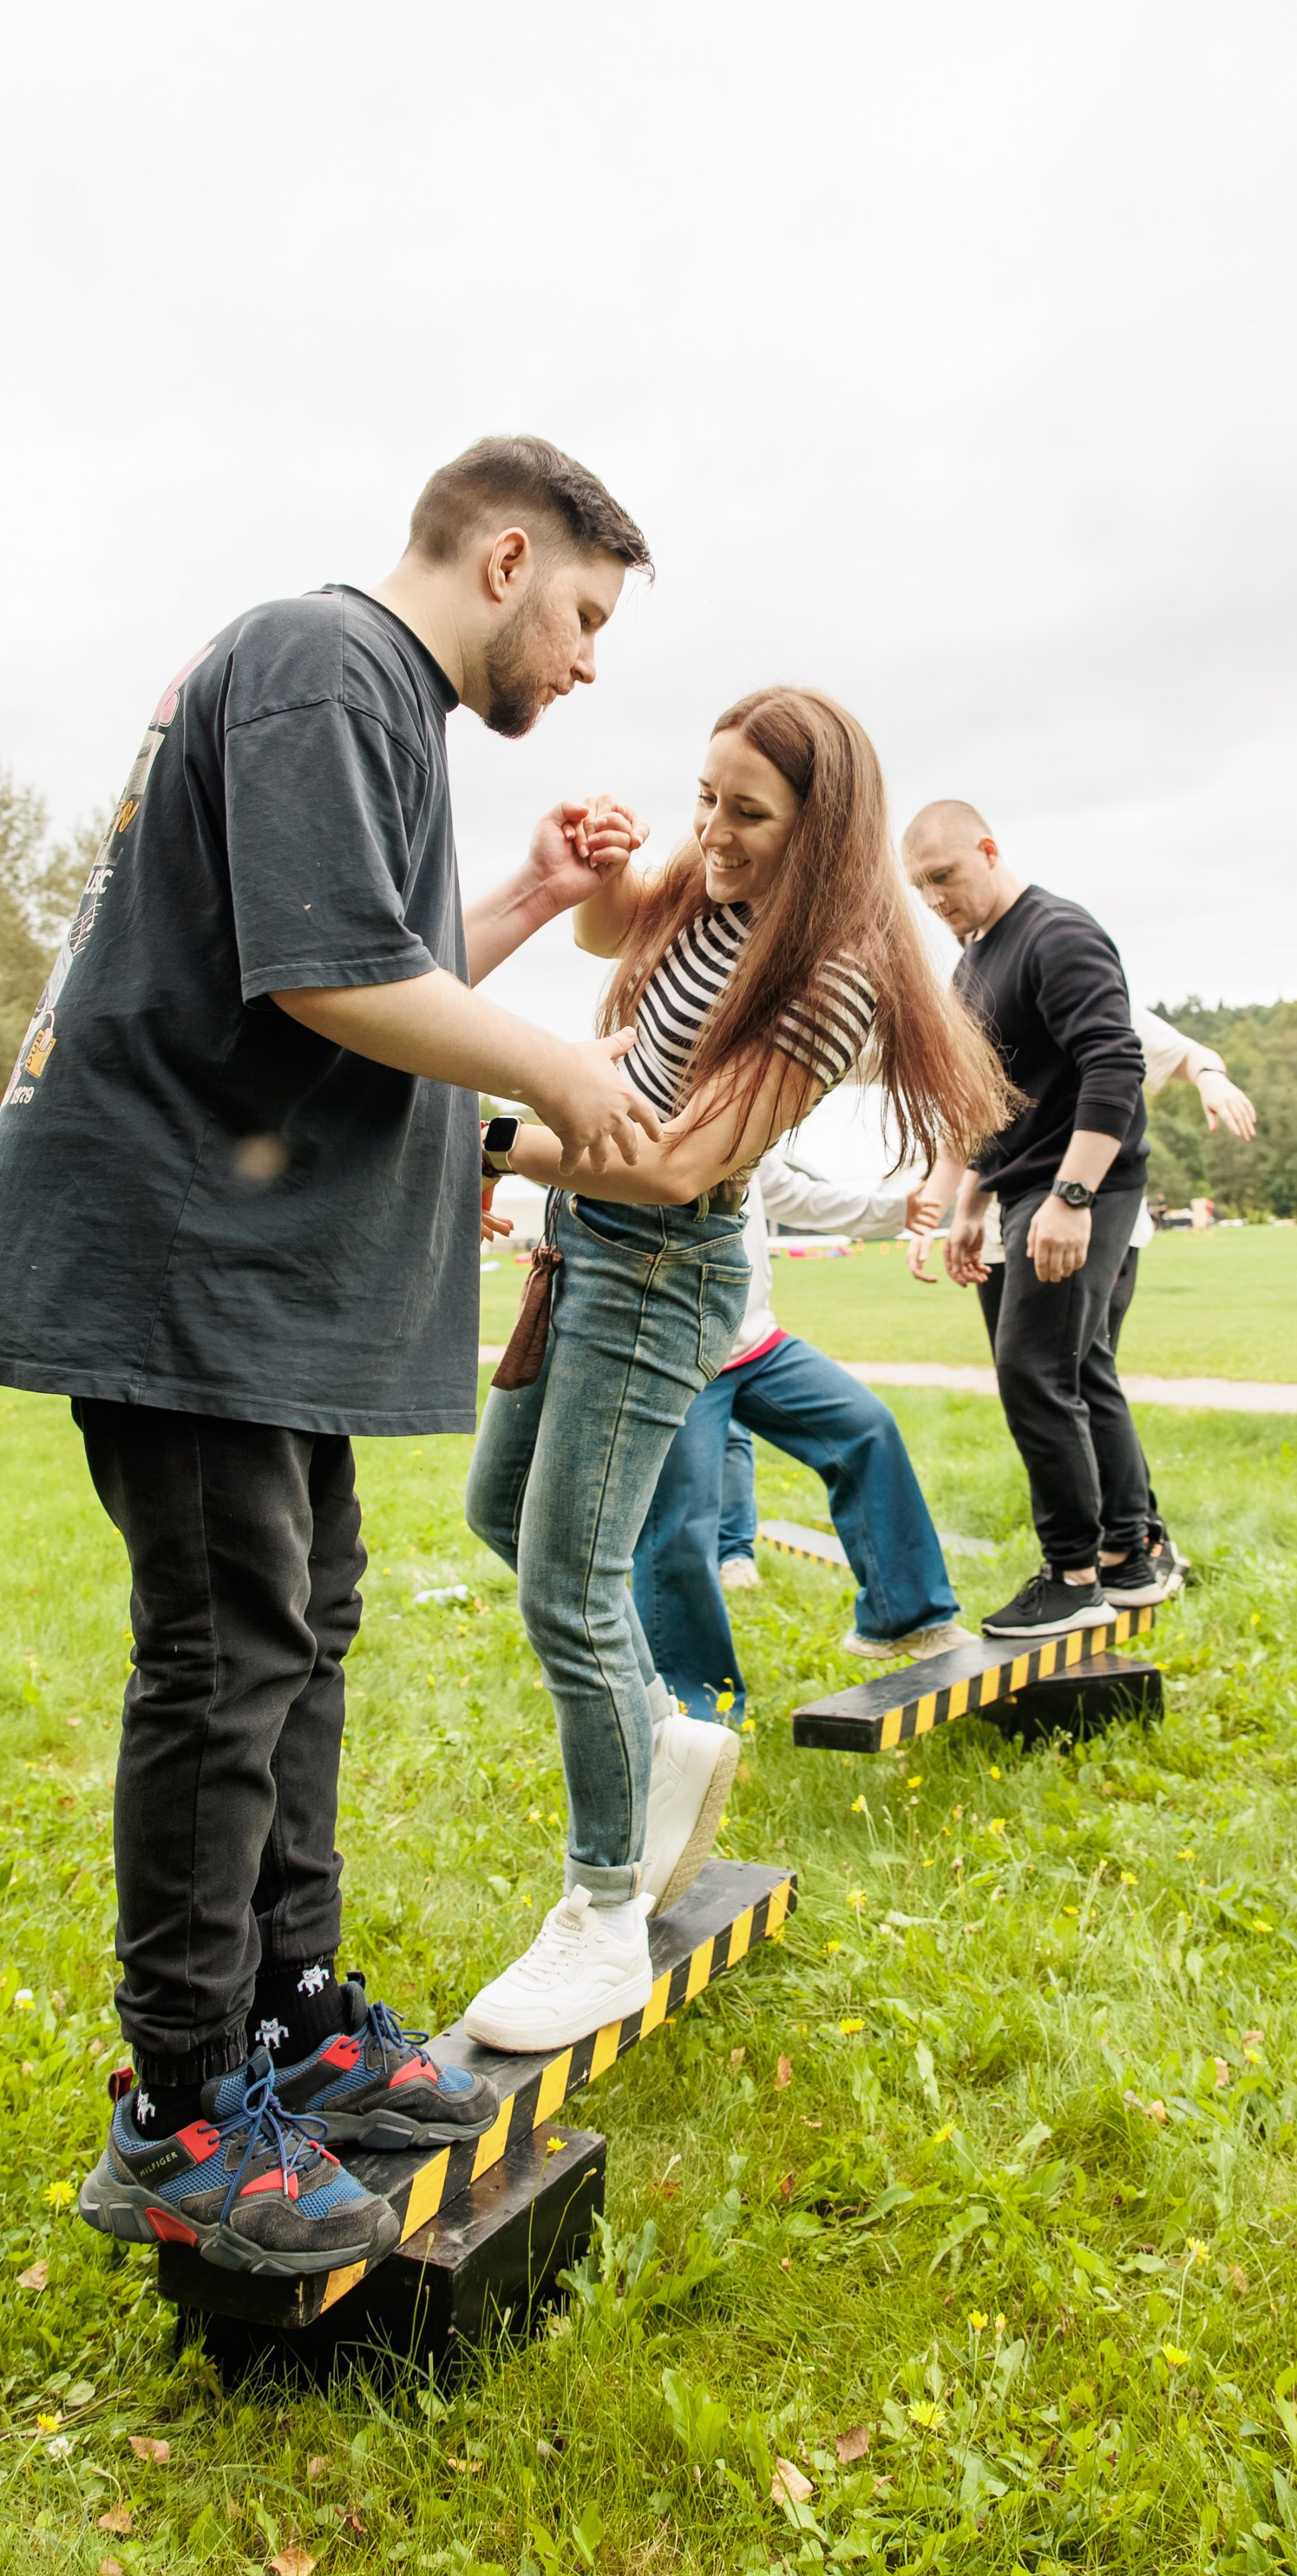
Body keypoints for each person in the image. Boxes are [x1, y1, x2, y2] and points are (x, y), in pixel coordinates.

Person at [0, 436, 663, 2278]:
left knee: (300, 1624)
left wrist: (513, 908)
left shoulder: (368, 704)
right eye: (582, 616)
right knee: (224, 1649)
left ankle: (293, 2029)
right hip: (182, 1254)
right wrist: (572, 1073)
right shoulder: (326, 660)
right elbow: (325, 982)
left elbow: (377, 972)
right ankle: (182, 2108)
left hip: (252, 1273)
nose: (584, 664)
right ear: (508, 557)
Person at [461, 691, 1012, 2053]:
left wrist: (475, 1135)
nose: (712, 830)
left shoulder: (827, 979)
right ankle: (666, 1734)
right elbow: (606, 927)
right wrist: (597, 862)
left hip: (661, 1275)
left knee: (568, 1586)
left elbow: (677, 1160)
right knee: (499, 1516)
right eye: (703, 796)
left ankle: (599, 1922)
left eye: (747, 814)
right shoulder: (701, 884)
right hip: (587, 1248)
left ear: (821, 833)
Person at [901, 801, 1170, 1641]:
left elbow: (1113, 1061)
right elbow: (989, 1106)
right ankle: (1129, 1558)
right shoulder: (969, 968)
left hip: (1078, 1190)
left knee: (1031, 1371)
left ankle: (1071, 1576)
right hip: (1022, 1194)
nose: (934, 899)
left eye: (943, 876)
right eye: (919, 888)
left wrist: (1072, 1198)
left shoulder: (1055, 932)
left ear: (987, 850)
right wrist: (968, 1205)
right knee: (1077, 1370)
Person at [910, 1004, 1255, 1576]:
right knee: (1037, 1383)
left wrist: (1212, 1081)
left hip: (1090, 1222)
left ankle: (1136, 1541)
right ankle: (1108, 1540)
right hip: (1006, 1227)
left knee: (1080, 1372)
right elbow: (984, 1132)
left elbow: (1187, 1055)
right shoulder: (990, 1005)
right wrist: (959, 1213)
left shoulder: (1083, 990)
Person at [632, 1148, 967, 1729]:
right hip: (677, 1354)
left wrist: (899, 1207)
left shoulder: (756, 1120)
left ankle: (907, 1617)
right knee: (681, 1522)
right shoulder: (659, 1106)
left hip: (756, 1343)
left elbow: (799, 1195)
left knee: (866, 1429)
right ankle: (695, 1710)